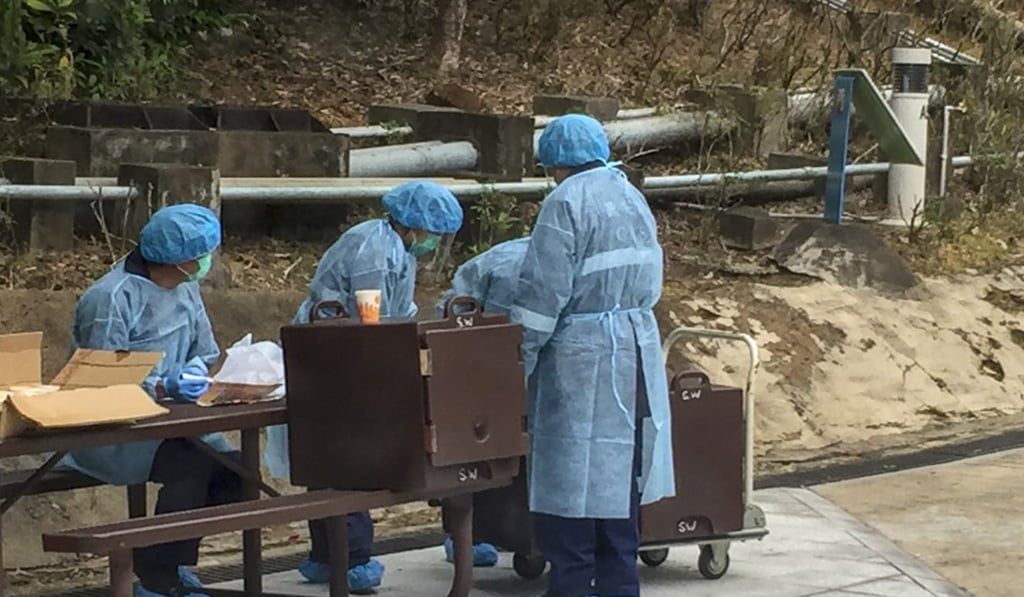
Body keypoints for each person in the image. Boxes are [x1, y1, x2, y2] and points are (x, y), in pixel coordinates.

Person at [264, 181, 464, 593]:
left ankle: (328, 554)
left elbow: (397, 314)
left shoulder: (397, 249)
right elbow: (368, 317)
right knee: (343, 458)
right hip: (337, 355)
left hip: (351, 355)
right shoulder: (374, 248)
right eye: (433, 233)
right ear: (415, 224)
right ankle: (349, 556)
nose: (432, 243)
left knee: (331, 456)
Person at [512, 114, 676, 597]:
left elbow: (543, 294)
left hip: (581, 357)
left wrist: (516, 360)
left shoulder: (564, 202)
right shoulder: (630, 194)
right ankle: (621, 587)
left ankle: (570, 585)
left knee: (571, 480)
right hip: (635, 345)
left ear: (554, 162)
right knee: (619, 477)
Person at [56, 204, 239, 597]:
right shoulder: (110, 298)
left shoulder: (186, 287)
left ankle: (170, 560)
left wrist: (192, 373)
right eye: (201, 254)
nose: (207, 260)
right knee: (192, 466)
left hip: (173, 419)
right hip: (113, 429)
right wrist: (158, 386)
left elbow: (204, 350)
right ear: (180, 258)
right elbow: (98, 377)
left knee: (235, 472)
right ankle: (156, 576)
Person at [434, 237, 531, 567]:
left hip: (487, 367)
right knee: (479, 452)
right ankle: (470, 534)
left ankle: (473, 534)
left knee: (480, 450)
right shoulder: (519, 265)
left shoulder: (515, 256)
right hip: (489, 367)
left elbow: (450, 311)